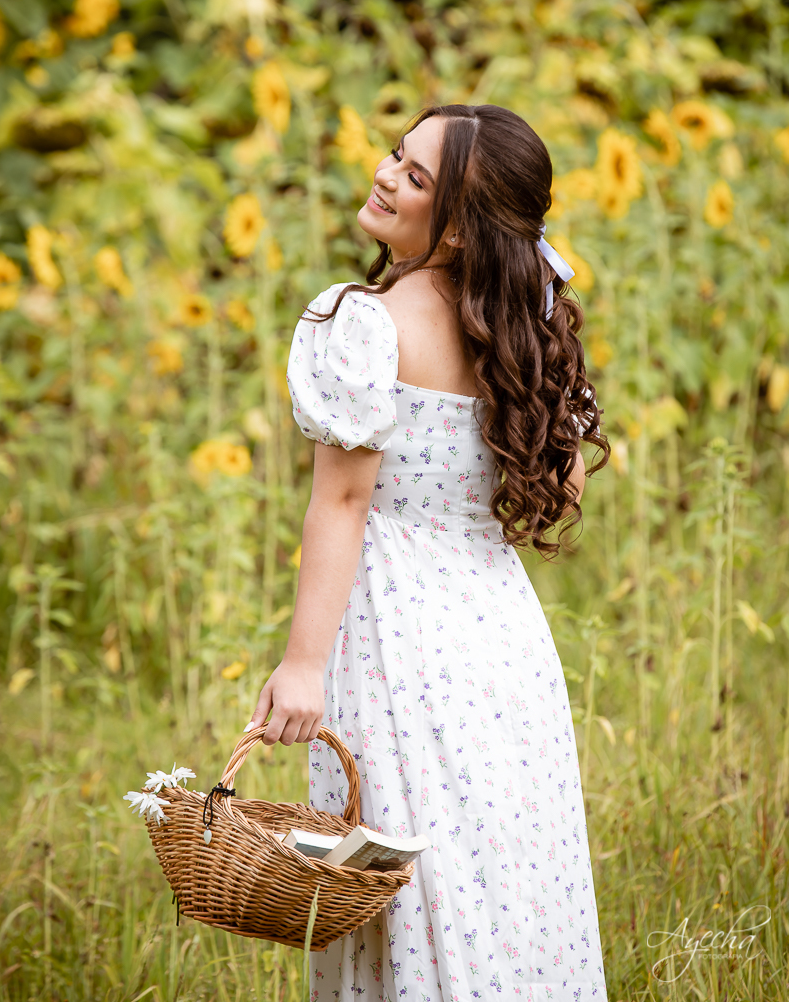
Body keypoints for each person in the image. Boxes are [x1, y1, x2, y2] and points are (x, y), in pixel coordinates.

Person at [248, 103, 610, 1000]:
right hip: (500, 633)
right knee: (505, 873)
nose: (384, 174)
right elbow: (563, 484)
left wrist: (303, 665)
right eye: (395, 154)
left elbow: (343, 499)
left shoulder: (365, 322)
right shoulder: (520, 328)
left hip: (397, 635)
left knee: (404, 885)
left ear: (456, 228)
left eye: (415, 177)